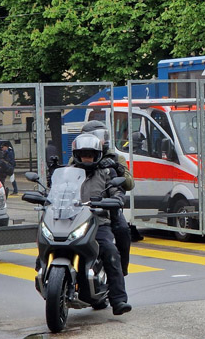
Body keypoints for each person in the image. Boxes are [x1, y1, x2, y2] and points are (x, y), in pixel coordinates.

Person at [70, 133, 131, 315]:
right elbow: (57, 190)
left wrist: (116, 198)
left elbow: (119, 189)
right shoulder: (69, 170)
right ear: (77, 154)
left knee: (110, 251)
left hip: (98, 222)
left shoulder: (107, 170)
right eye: (83, 154)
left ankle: (118, 299)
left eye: (90, 154)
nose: (86, 158)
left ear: (97, 153)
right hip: (71, 221)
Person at [76, 120, 138, 275]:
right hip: (80, 211)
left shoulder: (116, 157)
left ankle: (121, 268)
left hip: (107, 208)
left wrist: (117, 168)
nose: (101, 140)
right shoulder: (77, 157)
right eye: (98, 136)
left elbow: (129, 184)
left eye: (103, 136)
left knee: (123, 230)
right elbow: (69, 177)